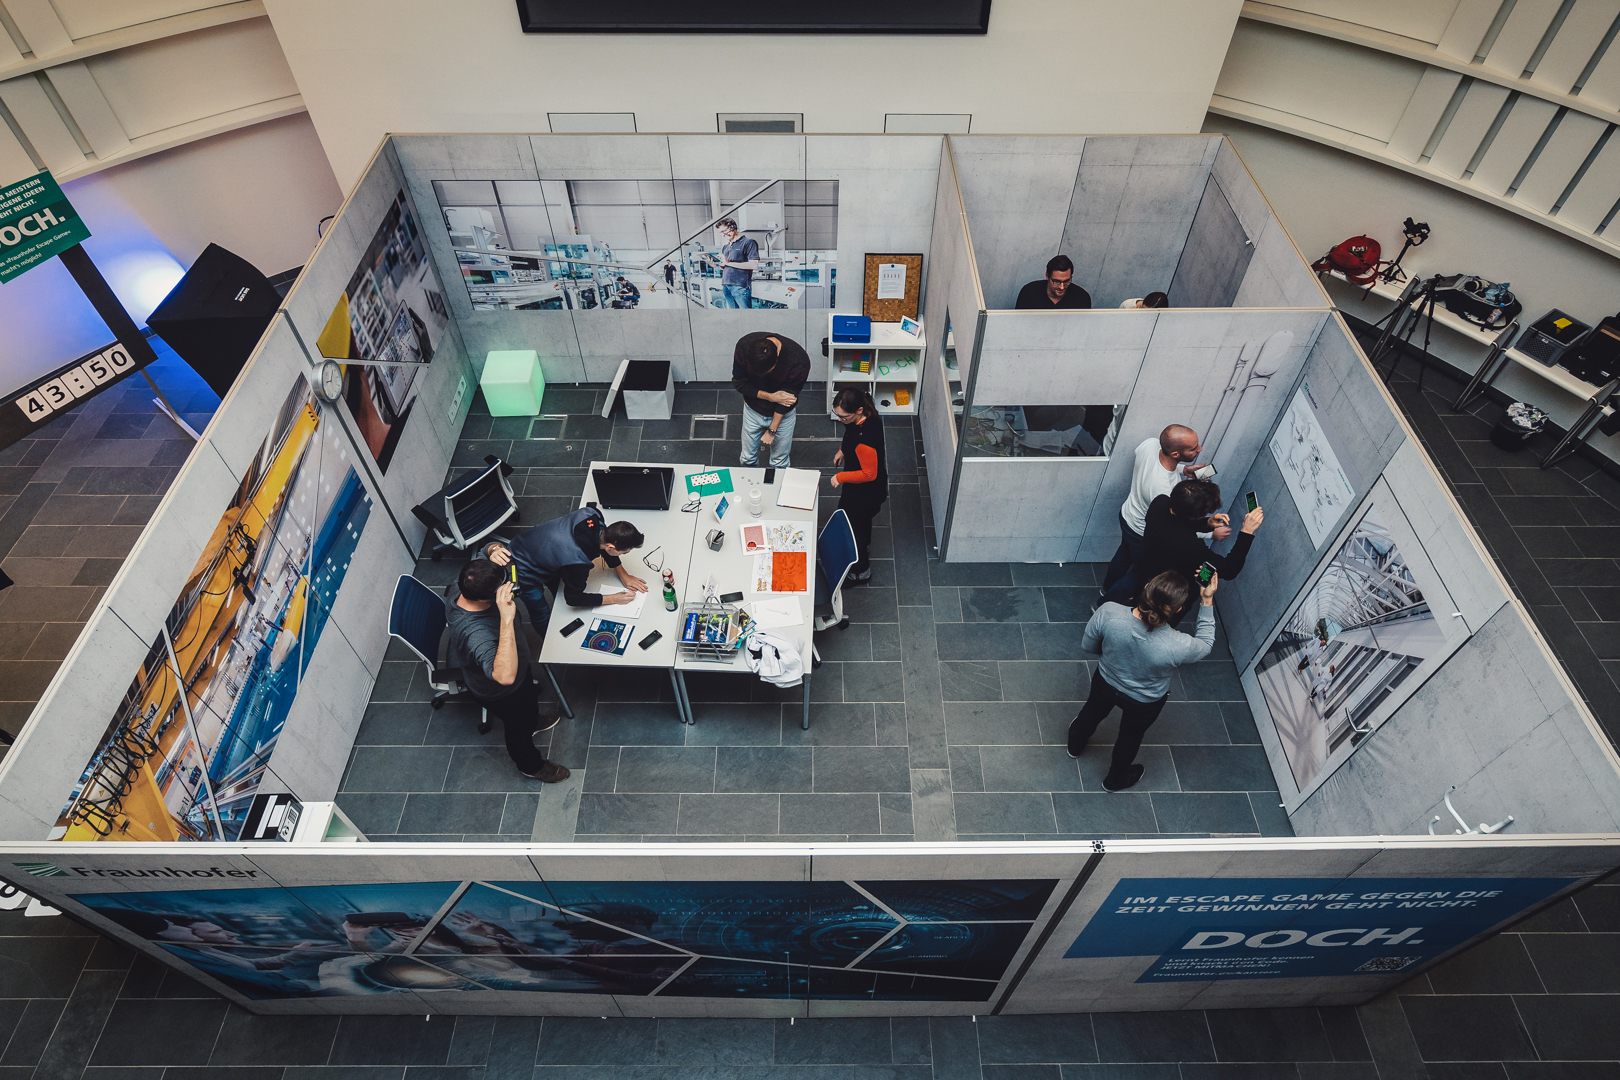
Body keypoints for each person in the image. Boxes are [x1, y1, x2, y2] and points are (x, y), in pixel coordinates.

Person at [1069, 570, 1217, 791]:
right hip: (1144, 701)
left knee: (1091, 712)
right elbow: (1205, 644)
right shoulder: (1178, 645)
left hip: (1106, 681)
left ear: (1147, 587)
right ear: (1177, 610)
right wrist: (1206, 600)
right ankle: (1114, 780)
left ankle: (1075, 745)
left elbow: (1088, 646)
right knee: (1130, 736)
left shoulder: (1109, 612)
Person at [444, 560, 569, 782]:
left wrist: (492, 549)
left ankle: (533, 721)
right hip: (502, 692)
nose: (509, 587)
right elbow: (504, 676)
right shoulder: (476, 634)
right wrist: (506, 617)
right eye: (502, 586)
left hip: (520, 672)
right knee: (518, 730)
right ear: (484, 598)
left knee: (528, 702)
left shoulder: (466, 582)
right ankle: (531, 766)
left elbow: (485, 552)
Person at [1103, 478, 1263, 624]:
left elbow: (1175, 523)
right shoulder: (1190, 547)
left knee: (1138, 609)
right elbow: (1229, 569)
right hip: (1169, 594)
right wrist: (1246, 532)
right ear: (1194, 516)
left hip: (1147, 576)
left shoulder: (1160, 503)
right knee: (1158, 625)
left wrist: (1206, 522)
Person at [1100, 425, 1228, 599]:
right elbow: (1175, 526)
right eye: (1193, 448)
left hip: (1127, 515)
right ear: (1175, 454)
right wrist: (1210, 534)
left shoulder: (1151, 444)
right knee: (1137, 575)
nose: (1200, 449)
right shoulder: (1165, 491)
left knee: (1123, 556)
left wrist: (1183, 469)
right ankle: (1103, 603)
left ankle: (1106, 588)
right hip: (1140, 532)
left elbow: (1155, 464)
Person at [484, 507, 646, 631]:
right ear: (611, 547)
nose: (625, 554)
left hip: (531, 545)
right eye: (625, 552)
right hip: (524, 574)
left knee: (559, 589)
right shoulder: (577, 561)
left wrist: (624, 575)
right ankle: (548, 642)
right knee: (540, 611)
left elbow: (604, 547)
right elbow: (573, 599)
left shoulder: (591, 514)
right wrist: (614, 598)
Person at [829, 387, 888, 585]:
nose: (840, 420)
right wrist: (842, 451)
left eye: (844, 417)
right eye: (838, 415)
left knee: (852, 527)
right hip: (869, 492)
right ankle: (865, 544)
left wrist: (841, 477)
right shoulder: (867, 418)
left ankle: (860, 571)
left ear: (859, 410)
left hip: (865, 493)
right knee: (861, 523)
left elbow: (869, 474)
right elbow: (850, 436)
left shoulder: (865, 441)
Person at [732, 330, 810, 468]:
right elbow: (740, 383)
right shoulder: (744, 346)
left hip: (783, 415)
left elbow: (786, 401)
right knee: (747, 458)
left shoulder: (799, 361)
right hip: (753, 410)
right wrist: (771, 397)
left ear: (777, 357)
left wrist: (772, 429)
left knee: (779, 462)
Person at [712, 217, 759, 308]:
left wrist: (728, 263)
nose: (723, 235)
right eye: (720, 233)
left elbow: (754, 264)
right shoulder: (726, 247)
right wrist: (715, 265)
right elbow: (726, 266)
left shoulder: (748, 243)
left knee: (745, 316)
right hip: (726, 285)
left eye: (724, 231)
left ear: (732, 227)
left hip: (740, 286)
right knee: (734, 315)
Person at [1014, 255, 1092, 310]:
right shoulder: (1029, 293)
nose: (1062, 287)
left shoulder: (1081, 298)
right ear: (1047, 276)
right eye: (1057, 281)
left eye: (1066, 281)